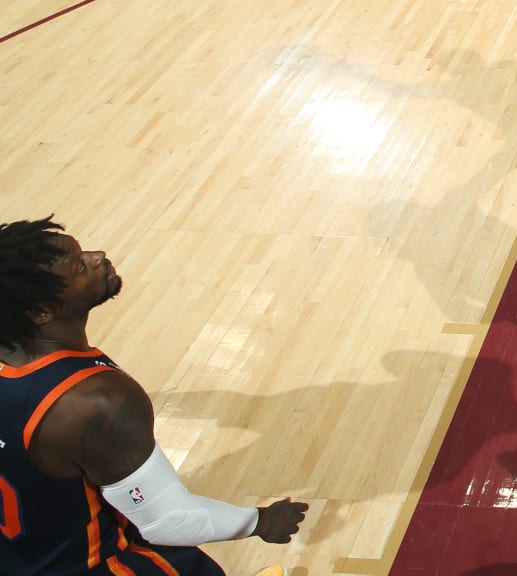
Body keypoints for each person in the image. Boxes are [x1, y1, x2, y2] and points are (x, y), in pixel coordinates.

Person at [0, 217, 308, 574]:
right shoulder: (94, 401)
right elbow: (168, 520)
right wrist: (260, 521)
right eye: (80, 265)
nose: (99, 256)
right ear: (40, 311)